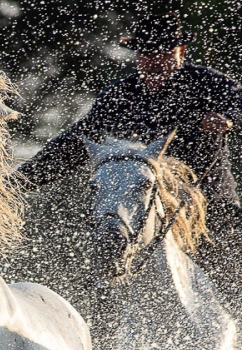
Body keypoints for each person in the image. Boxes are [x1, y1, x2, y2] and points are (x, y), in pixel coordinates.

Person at [18, 4, 242, 314]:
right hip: (137, 204)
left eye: (163, 52)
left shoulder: (210, 84)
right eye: (146, 53)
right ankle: (99, 333)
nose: (154, 61)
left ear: (182, 50)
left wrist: (231, 119)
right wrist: (19, 181)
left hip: (204, 201)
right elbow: (73, 143)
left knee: (232, 269)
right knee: (105, 248)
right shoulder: (119, 95)